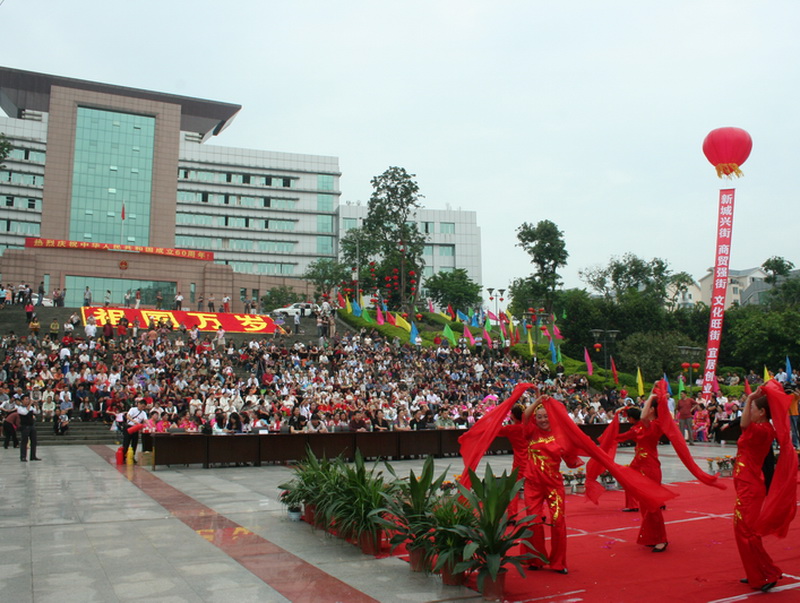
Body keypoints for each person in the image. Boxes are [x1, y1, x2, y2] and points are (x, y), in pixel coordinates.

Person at [733, 384, 798, 592]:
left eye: (752, 408)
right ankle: (758, 572)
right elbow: (744, 423)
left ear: (761, 413)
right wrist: (751, 400)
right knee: (744, 531)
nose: (749, 411)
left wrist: (751, 398)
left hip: (751, 487)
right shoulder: (761, 427)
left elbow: (743, 424)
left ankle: (766, 573)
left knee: (747, 532)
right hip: (746, 485)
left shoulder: (762, 430)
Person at [521, 399, 584, 573]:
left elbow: (572, 459)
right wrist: (538, 401)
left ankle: (558, 562)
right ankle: (535, 559)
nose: (542, 420)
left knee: (558, 522)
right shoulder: (531, 431)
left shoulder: (560, 436)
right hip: (532, 485)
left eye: (545, 416)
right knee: (533, 523)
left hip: (554, 486)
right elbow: (525, 416)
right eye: (539, 417)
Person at [616, 396, 668, 552]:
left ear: (652, 410)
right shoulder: (639, 427)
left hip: (651, 468)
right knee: (645, 506)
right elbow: (624, 436)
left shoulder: (656, 425)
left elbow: (643, 416)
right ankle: (652, 537)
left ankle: (661, 539)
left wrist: (652, 395)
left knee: (652, 506)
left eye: (648, 406)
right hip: (639, 466)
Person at [17, 395, 42, 462]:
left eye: (28, 399)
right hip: (25, 426)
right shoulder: (19, 408)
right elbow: (24, 413)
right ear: (22, 400)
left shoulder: (30, 407)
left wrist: (36, 405)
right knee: (24, 442)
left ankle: (33, 456)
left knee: (34, 441)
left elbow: (37, 412)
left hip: (31, 425)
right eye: (26, 399)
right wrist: (30, 404)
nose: (27, 400)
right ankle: (23, 457)